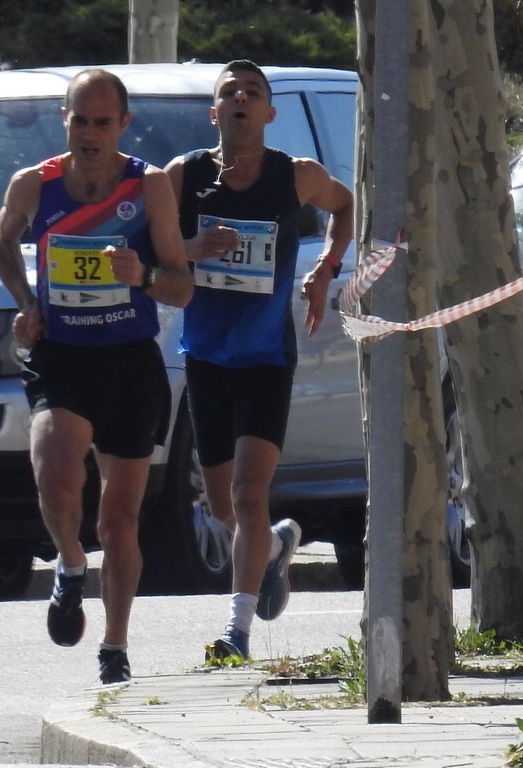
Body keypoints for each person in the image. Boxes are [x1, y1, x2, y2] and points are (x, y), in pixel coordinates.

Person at [0, 68, 194, 685]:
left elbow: (181, 288)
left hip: (128, 360)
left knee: (120, 518)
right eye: (80, 120)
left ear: (122, 126)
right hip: (64, 356)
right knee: (55, 474)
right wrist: (26, 301)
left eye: (102, 122)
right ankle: (71, 564)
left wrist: (144, 278)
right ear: (65, 120)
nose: (90, 133)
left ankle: (114, 645)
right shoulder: (36, 184)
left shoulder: (149, 186)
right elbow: (0, 240)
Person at [165, 60, 355, 661]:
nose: (241, 99)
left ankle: (237, 631)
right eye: (230, 92)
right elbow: (149, 241)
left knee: (250, 494)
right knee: (223, 506)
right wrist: (191, 249)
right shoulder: (183, 175)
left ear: (269, 114)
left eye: (253, 92)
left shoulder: (295, 176)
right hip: (206, 356)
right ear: (214, 113)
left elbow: (345, 207)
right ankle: (273, 549)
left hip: (267, 355)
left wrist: (324, 271)